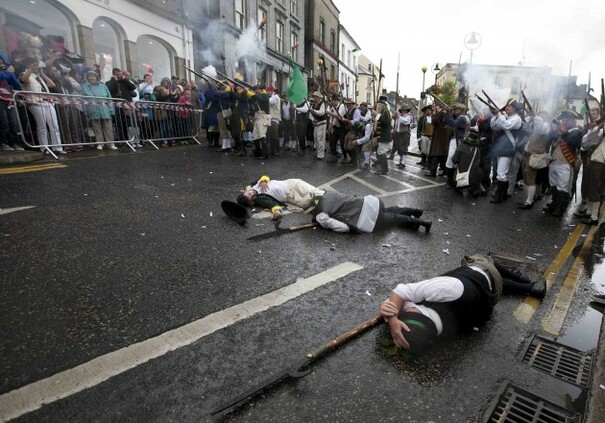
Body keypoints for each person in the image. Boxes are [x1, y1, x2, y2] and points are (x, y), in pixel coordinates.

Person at [379, 254, 547, 353]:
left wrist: (392, 319)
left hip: (487, 300)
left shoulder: (436, 329)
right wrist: (393, 318)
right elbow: (401, 291)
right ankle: (528, 285)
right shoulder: (446, 290)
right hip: (486, 278)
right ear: (419, 311)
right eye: (409, 311)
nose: (407, 309)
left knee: (482, 279)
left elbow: (395, 303)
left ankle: (525, 284)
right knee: (483, 260)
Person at [236, 175, 432, 233]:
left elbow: (343, 228)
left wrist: (323, 222)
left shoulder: (321, 214)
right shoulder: (327, 196)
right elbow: (270, 202)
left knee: (393, 218)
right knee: (391, 211)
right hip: (369, 202)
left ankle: (421, 222)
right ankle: (414, 211)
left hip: (365, 218)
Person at [19, 57, 65, 154]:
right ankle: (44, 148)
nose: (36, 67)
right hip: (35, 102)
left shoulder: (39, 77)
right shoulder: (25, 74)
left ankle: (57, 147)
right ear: (28, 65)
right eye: (34, 65)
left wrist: (43, 74)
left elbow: (52, 85)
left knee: (54, 125)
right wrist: (30, 69)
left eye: (37, 65)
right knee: (42, 126)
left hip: (48, 102)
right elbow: (23, 80)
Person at [544, 110, 583, 217]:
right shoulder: (561, 130)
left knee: (562, 186)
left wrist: (563, 132)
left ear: (573, 121)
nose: (564, 122)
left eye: (567, 120)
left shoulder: (576, 132)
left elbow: (571, 142)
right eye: (564, 120)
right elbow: (551, 138)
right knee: (553, 184)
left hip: (565, 162)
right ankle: (554, 203)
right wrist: (554, 130)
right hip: (554, 161)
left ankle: (560, 207)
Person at [489, 100, 523, 203]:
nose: (507, 108)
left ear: (515, 109)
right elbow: (493, 126)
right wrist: (496, 115)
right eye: (506, 106)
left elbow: (505, 125)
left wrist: (499, 114)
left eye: (510, 106)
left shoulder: (517, 119)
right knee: (502, 173)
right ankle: (503, 194)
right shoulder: (506, 117)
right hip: (502, 148)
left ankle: (498, 196)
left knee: (501, 174)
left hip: (507, 149)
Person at [81, 70, 117, 150]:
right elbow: (83, 100)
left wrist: (111, 110)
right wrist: (86, 111)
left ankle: (111, 144)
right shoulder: (85, 87)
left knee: (108, 128)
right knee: (97, 128)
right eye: (90, 76)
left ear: (96, 77)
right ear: (87, 78)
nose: (91, 78)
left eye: (93, 76)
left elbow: (109, 98)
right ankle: (100, 143)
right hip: (93, 110)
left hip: (105, 110)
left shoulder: (103, 86)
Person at [0, 52, 23, 151]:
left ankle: (13, 142)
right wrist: (8, 73)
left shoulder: (5, 72)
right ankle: (3, 142)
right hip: (0, 100)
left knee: (13, 123)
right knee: (3, 123)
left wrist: (11, 73)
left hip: (9, 99)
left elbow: (17, 85)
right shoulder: (4, 74)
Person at [373, 95, 392, 175]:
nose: (378, 105)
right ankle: (383, 168)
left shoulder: (385, 111)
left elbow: (386, 122)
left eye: (379, 103)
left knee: (381, 152)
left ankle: (384, 170)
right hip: (381, 136)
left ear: (382, 104)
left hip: (384, 136)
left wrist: (377, 115)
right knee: (380, 151)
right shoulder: (382, 111)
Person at [309, 91, 327, 160]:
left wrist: (313, 111)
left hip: (322, 123)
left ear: (319, 97)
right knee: (316, 138)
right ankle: (318, 153)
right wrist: (313, 119)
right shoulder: (313, 104)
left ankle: (321, 155)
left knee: (320, 139)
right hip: (316, 124)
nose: (314, 98)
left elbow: (321, 113)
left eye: (316, 96)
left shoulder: (323, 104)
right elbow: (310, 114)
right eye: (314, 96)